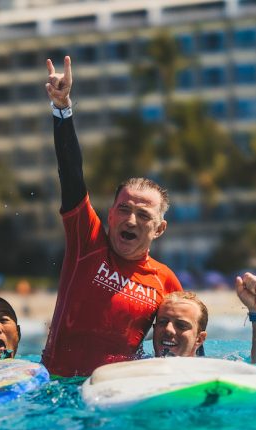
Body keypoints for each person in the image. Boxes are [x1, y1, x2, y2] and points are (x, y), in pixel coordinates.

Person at [42, 56, 183, 377]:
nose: (131, 220)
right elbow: (71, 175)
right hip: (57, 387)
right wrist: (62, 109)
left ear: (160, 229)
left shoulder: (165, 281)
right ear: (110, 215)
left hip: (117, 391)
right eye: (124, 209)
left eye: (143, 215)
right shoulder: (87, 243)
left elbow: (187, 344)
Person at [153, 272, 256, 363]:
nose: (168, 329)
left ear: (199, 339)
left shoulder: (215, 370)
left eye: (181, 325)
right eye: (162, 322)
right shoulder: (138, 365)